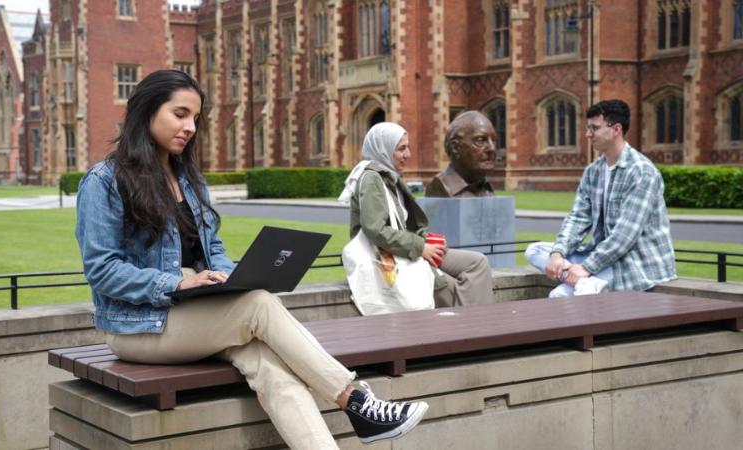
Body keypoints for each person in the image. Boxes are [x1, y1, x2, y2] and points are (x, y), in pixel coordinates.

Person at [74, 70, 428, 449]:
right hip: (137, 326)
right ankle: (356, 400)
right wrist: (176, 282)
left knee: (269, 365)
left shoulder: (189, 179)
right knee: (259, 305)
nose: (190, 127)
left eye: (195, 118)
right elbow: (102, 270)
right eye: (180, 114)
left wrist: (232, 276)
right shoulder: (105, 181)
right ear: (146, 112)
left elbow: (213, 247)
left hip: (194, 314)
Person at [525, 99, 676, 297]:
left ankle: (587, 280)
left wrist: (587, 266)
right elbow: (578, 218)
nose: (588, 134)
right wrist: (557, 253)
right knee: (534, 250)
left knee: (558, 296)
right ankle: (588, 282)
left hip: (634, 263)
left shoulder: (641, 172)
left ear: (616, 129)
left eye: (594, 128)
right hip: (601, 257)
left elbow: (625, 236)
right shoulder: (593, 171)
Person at [339, 122, 494, 307]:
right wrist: (421, 247)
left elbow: (403, 224)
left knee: (478, 263)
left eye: (408, 147)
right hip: (392, 259)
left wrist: (426, 239)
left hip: (408, 249)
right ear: (383, 149)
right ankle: (472, 327)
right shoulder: (372, 179)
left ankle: (474, 323)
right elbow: (375, 230)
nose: (408, 154)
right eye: (401, 149)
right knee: (454, 288)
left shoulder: (389, 175)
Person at [426, 110, 497, 198]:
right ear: (455, 147)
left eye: (493, 140)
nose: (492, 148)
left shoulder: (486, 190)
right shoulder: (441, 187)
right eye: (480, 140)